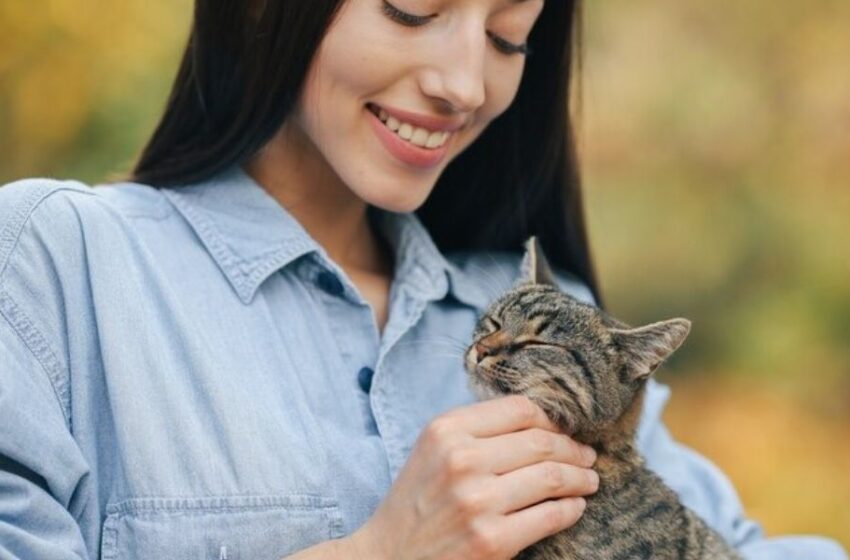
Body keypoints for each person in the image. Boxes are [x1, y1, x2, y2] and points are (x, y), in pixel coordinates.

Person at [0, 0, 845, 558]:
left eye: (508, 35)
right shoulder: (56, 264)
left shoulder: (552, 318)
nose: (462, 84)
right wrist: (383, 550)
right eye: (413, 8)